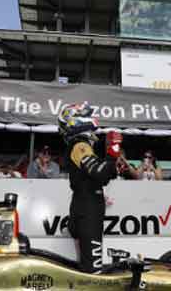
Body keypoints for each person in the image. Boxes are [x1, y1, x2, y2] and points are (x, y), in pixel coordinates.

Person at [58, 102, 120, 273]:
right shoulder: (80, 145)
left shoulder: (81, 145)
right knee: (93, 268)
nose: (91, 117)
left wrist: (110, 163)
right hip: (88, 206)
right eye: (85, 115)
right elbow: (100, 173)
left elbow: (105, 175)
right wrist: (112, 154)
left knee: (83, 263)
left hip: (81, 203)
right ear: (74, 121)